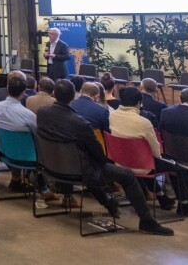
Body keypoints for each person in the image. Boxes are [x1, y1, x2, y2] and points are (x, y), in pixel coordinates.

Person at [37, 79, 175, 235]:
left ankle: (109, 203)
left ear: (54, 94)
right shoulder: (80, 123)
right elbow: (99, 155)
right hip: (78, 170)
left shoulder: (42, 113)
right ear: (73, 97)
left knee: (91, 165)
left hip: (51, 166)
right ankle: (146, 221)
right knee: (127, 175)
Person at [110, 87, 188, 217]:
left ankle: (161, 197)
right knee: (174, 167)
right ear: (139, 102)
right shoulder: (143, 122)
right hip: (142, 165)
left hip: (121, 162)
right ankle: (185, 204)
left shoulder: (112, 115)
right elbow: (156, 152)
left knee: (145, 160)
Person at [0, 71, 38, 193]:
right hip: (25, 156)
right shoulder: (28, 114)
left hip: (5, 152)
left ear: (8, 89)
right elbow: (37, 134)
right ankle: (44, 188)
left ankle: (16, 179)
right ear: (24, 92)